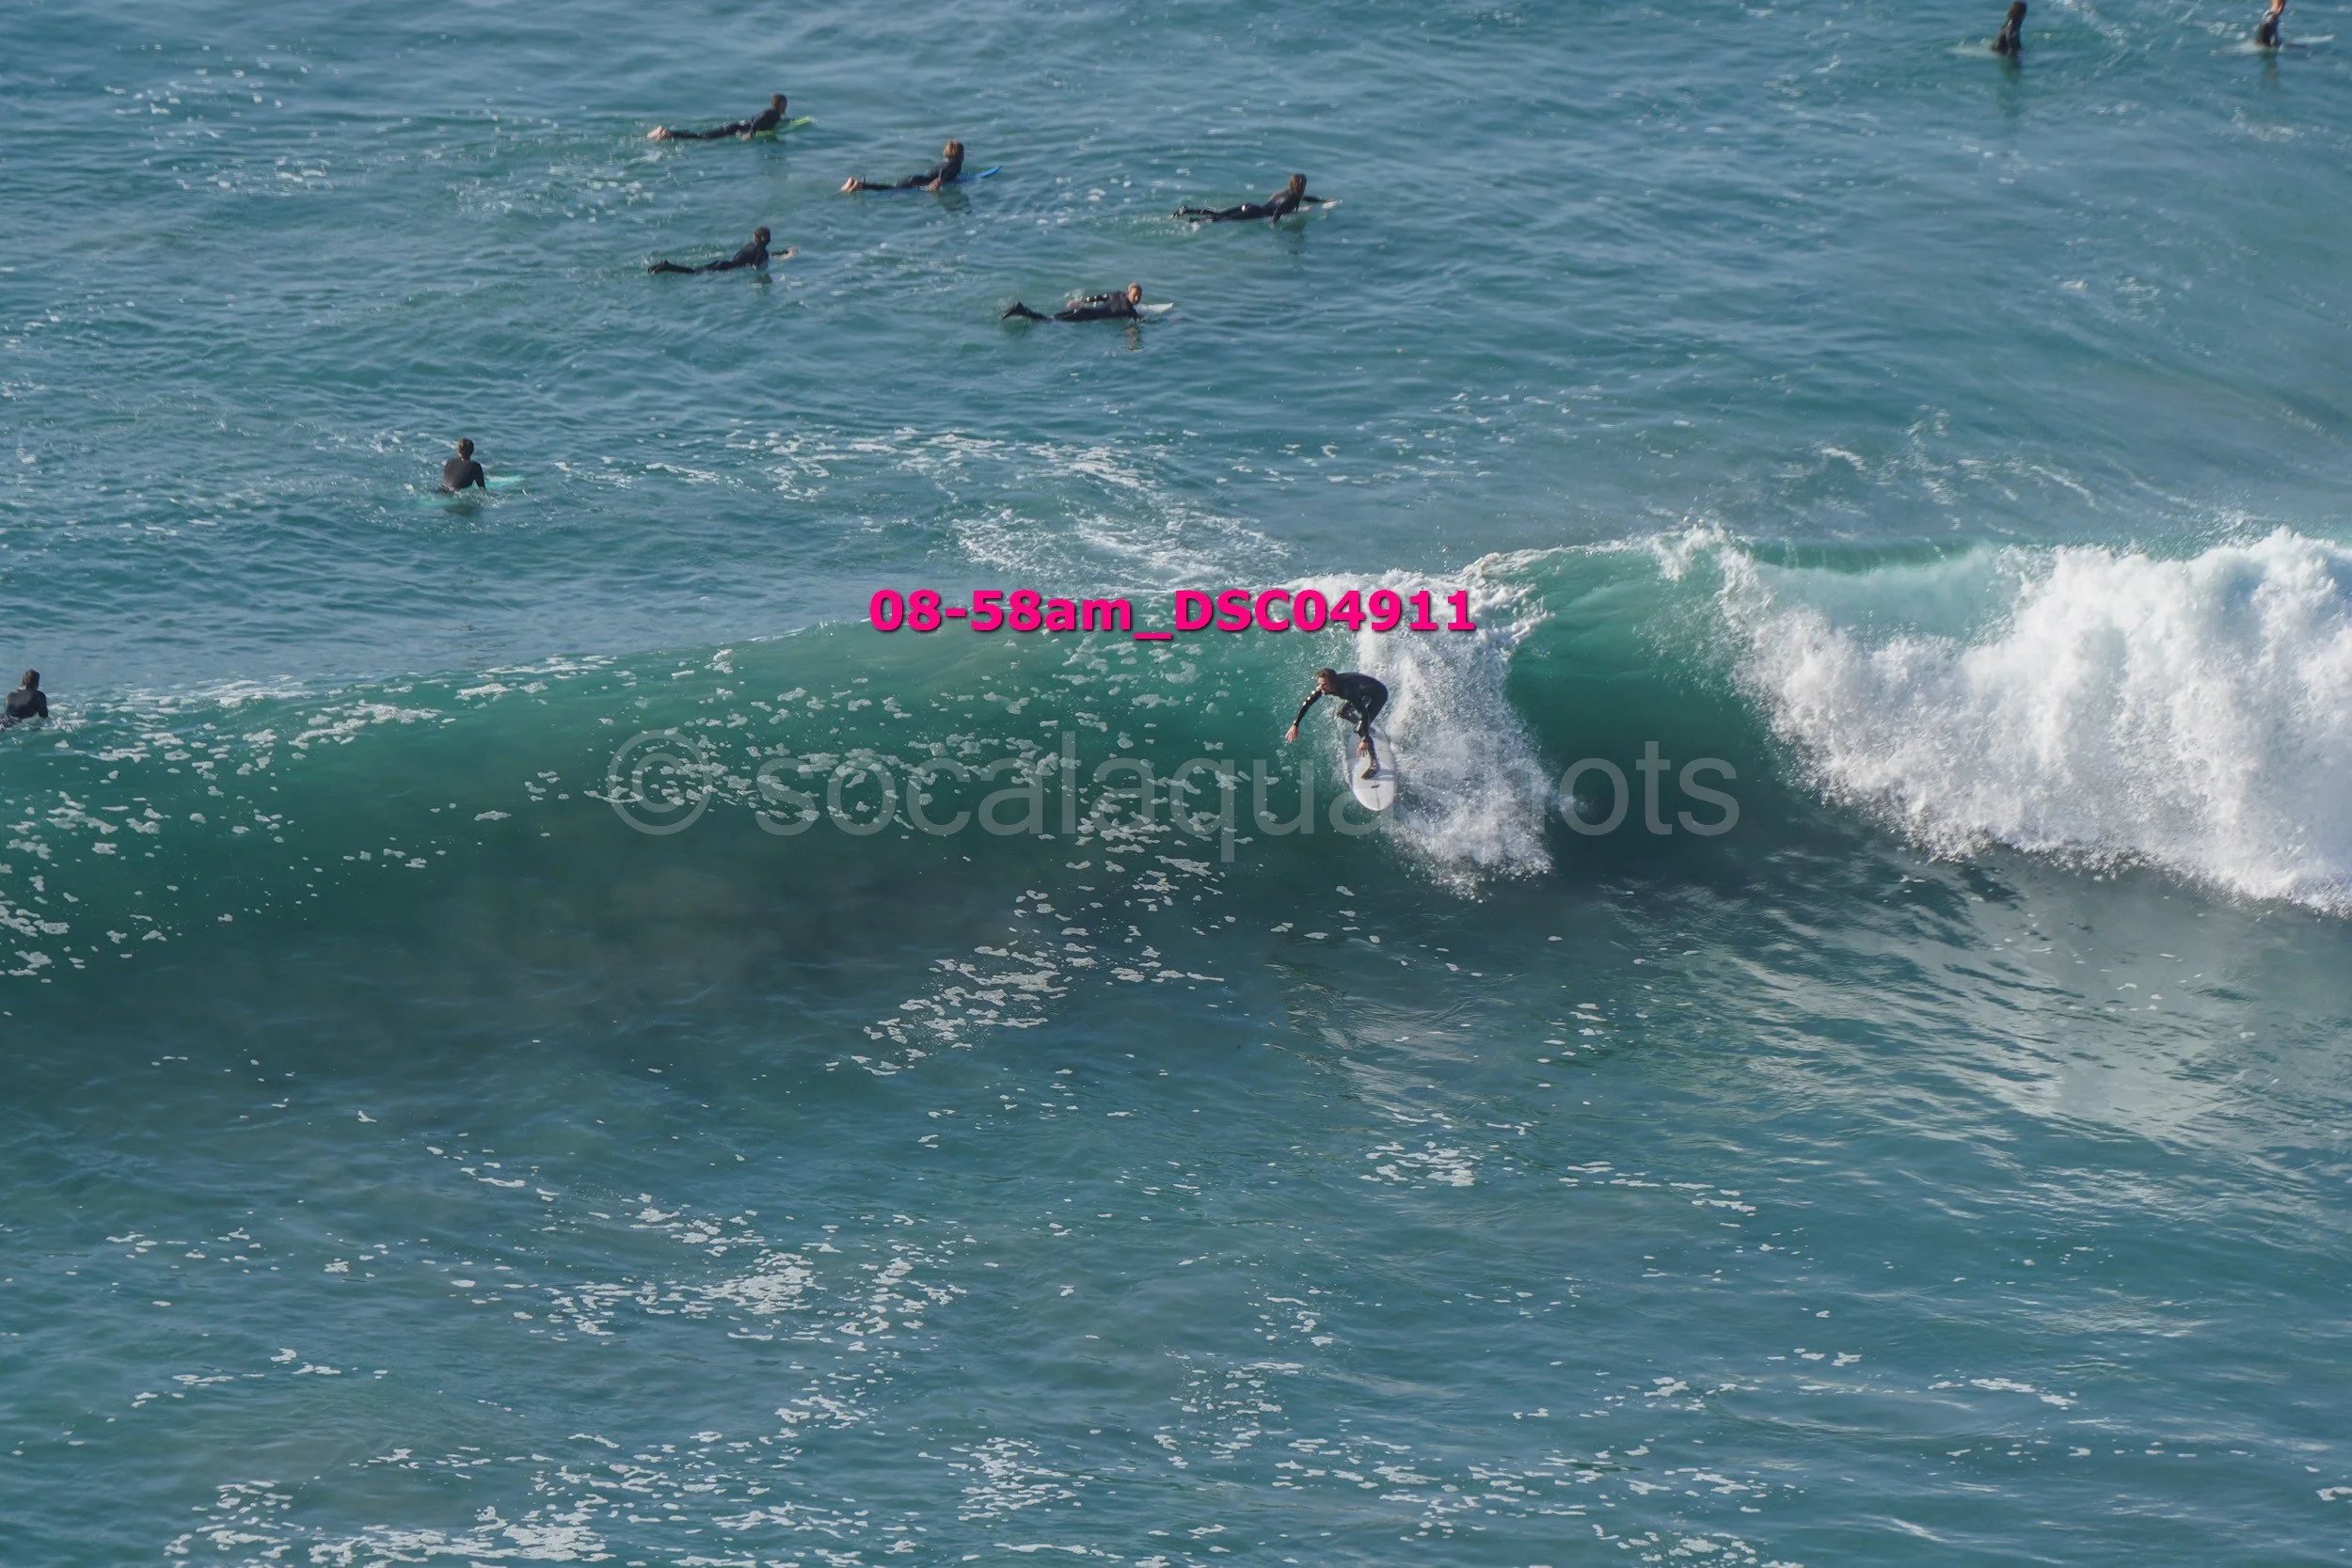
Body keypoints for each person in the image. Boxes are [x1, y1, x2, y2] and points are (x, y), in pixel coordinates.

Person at [1286, 667, 1389, 779]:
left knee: (1361, 729)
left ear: (1332, 684)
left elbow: (1364, 713)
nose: (1320, 687)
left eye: (1324, 684)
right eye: (1319, 684)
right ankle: (1366, 727)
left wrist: (1364, 739)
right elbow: (1307, 703)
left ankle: (1375, 765)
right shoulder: (1325, 687)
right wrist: (1295, 725)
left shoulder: (1348, 691)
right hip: (1362, 690)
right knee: (1341, 713)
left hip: (1379, 694)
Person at [1175, 173, 1327, 225]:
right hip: (1257, 213)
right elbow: (1279, 211)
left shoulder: (1286, 192)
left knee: (1220, 213)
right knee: (1222, 220)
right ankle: (1195, 222)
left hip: (1251, 206)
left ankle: (1187, 211)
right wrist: (1274, 225)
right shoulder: (1293, 198)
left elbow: (1305, 199)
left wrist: (1321, 201)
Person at [647, 226, 790, 275]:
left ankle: (663, 265)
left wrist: (783, 252)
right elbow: (755, 267)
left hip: (723, 263)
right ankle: (667, 266)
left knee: (694, 270)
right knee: (693, 273)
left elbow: (767, 254)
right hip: (725, 268)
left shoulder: (751, 246)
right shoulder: (761, 252)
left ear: (755, 237)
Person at [649, 94, 789, 141]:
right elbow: (759, 119)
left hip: (735, 126)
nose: (786, 106)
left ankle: (668, 133)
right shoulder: (773, 113)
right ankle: (667, 133)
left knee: (701, 136)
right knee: (702, 138)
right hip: (735, 129)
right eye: (785, 103)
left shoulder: (774, 115)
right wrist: (750, 134)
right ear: (781, 104)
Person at [841, 140, 964, 193]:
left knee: (891, 188)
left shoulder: (945, 161)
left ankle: (857, 184)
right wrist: (940, 180)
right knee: (890, 191)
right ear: (960, 154)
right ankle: (860, 185)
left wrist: (940, 178)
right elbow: (946, 170)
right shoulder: (956, 164)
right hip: (917, 182)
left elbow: (945, 168)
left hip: (915, 178)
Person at [1002, 282, 1147, 323]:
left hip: (1083, 310)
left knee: (1050, 318)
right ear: (1128, 293)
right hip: (1084, 316)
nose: (1136, 299)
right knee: (1049, 320)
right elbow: (1141, 321)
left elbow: (1098, 297)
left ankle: (1024, 311)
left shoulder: (1116, 294)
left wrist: (1081, 301)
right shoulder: (1129, 311)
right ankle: (1021, 310)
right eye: (1134, 296)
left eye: (1138, 297)